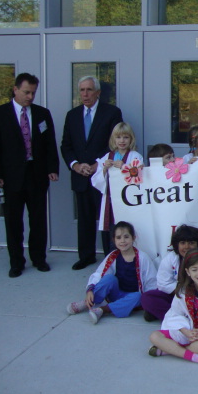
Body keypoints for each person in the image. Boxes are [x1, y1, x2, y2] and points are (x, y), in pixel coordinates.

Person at [0, 73, 59, 277]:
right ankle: (16, 261)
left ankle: (39, 258)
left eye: (33, 93)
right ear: (15, 89)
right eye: (26, 92)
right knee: (13, 221)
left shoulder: (42, 114)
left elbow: (49, 144)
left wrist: (53, 168)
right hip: (11, 177)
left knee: (38, 220)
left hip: (36, 174)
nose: (30, 96)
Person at [61, 76, 123, 270]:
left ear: (97, 92)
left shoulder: (112, 113)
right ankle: (86, 256)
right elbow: (66, 145)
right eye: (82, 90)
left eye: (89, 90)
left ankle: (109, 256)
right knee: (85, 218)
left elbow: (116, 143)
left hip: (102, 174)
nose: (85, 94)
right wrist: (75, 165)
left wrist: (98, 164)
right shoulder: (72, 115)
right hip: (80, 175)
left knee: (106, 218)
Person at [66, 221, 156, 324]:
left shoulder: (143, 258)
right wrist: (90, 289)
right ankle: (88, 302)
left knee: (138, 296)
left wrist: (150, 302)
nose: (122, 241)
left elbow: (151, 280)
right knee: (109, 278)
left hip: (131, 298)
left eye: (126, 237)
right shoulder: (113, 256)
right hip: (116, 293)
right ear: (114, 240)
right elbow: (99, 273)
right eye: (118, 238)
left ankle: (103, 310)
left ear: (133, 238)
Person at [91, 122, 143, 256]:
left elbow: (140, 178)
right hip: (111, 203)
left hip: (129, 202)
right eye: (118, 137)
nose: (122, 141)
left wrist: (125, 167)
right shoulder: (107, 157)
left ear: (131, 139)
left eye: (126, 137)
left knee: (128, 229)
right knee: (112, 231)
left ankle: (130, 258)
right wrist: (104, 169)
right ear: (113, 139)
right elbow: (95, 181)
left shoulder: (135, 156)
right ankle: (111, 259)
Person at [141, 225, 198, 321]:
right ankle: (180, 319)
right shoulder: (170, 258)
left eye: (191, 243)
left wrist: (192, 294)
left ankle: (170, 316)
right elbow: (162, 283)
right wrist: (183, 292)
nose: (187, 247)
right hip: (176, 295)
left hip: (197, 298)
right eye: (183, 243)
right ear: (176, 245)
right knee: (147, 298)